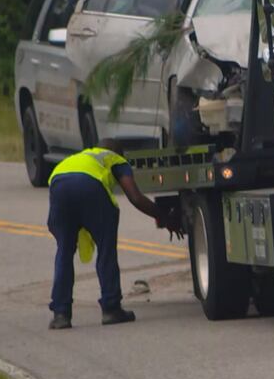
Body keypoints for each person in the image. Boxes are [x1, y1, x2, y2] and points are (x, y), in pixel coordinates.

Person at [46, 138, 182, 329]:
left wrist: (63, 234)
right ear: (119, 153)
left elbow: (53, 224)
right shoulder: (114, 159)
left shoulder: (76, 158)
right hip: (89, 187)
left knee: (64, 252)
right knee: (106, 249)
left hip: (58, 186)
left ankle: (61, 314)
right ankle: (111, 308)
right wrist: (165, 218)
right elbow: (135, 197)